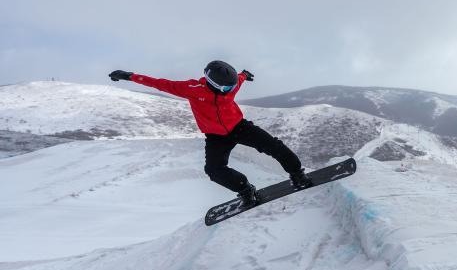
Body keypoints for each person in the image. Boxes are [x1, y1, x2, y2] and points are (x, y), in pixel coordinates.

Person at [108, 60, 311, 205]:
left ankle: (298, 175)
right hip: (216, 137)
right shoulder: (191, 88)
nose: (230, 91)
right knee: (214, 170)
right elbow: (159, 83)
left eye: (232, 87)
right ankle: (245, 190)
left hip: (239, 127)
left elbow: (238, 80)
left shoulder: (231, 86)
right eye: (226, 88)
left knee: (274, 146)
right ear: (213, 84)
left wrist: (244, 75)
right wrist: (129, 76)